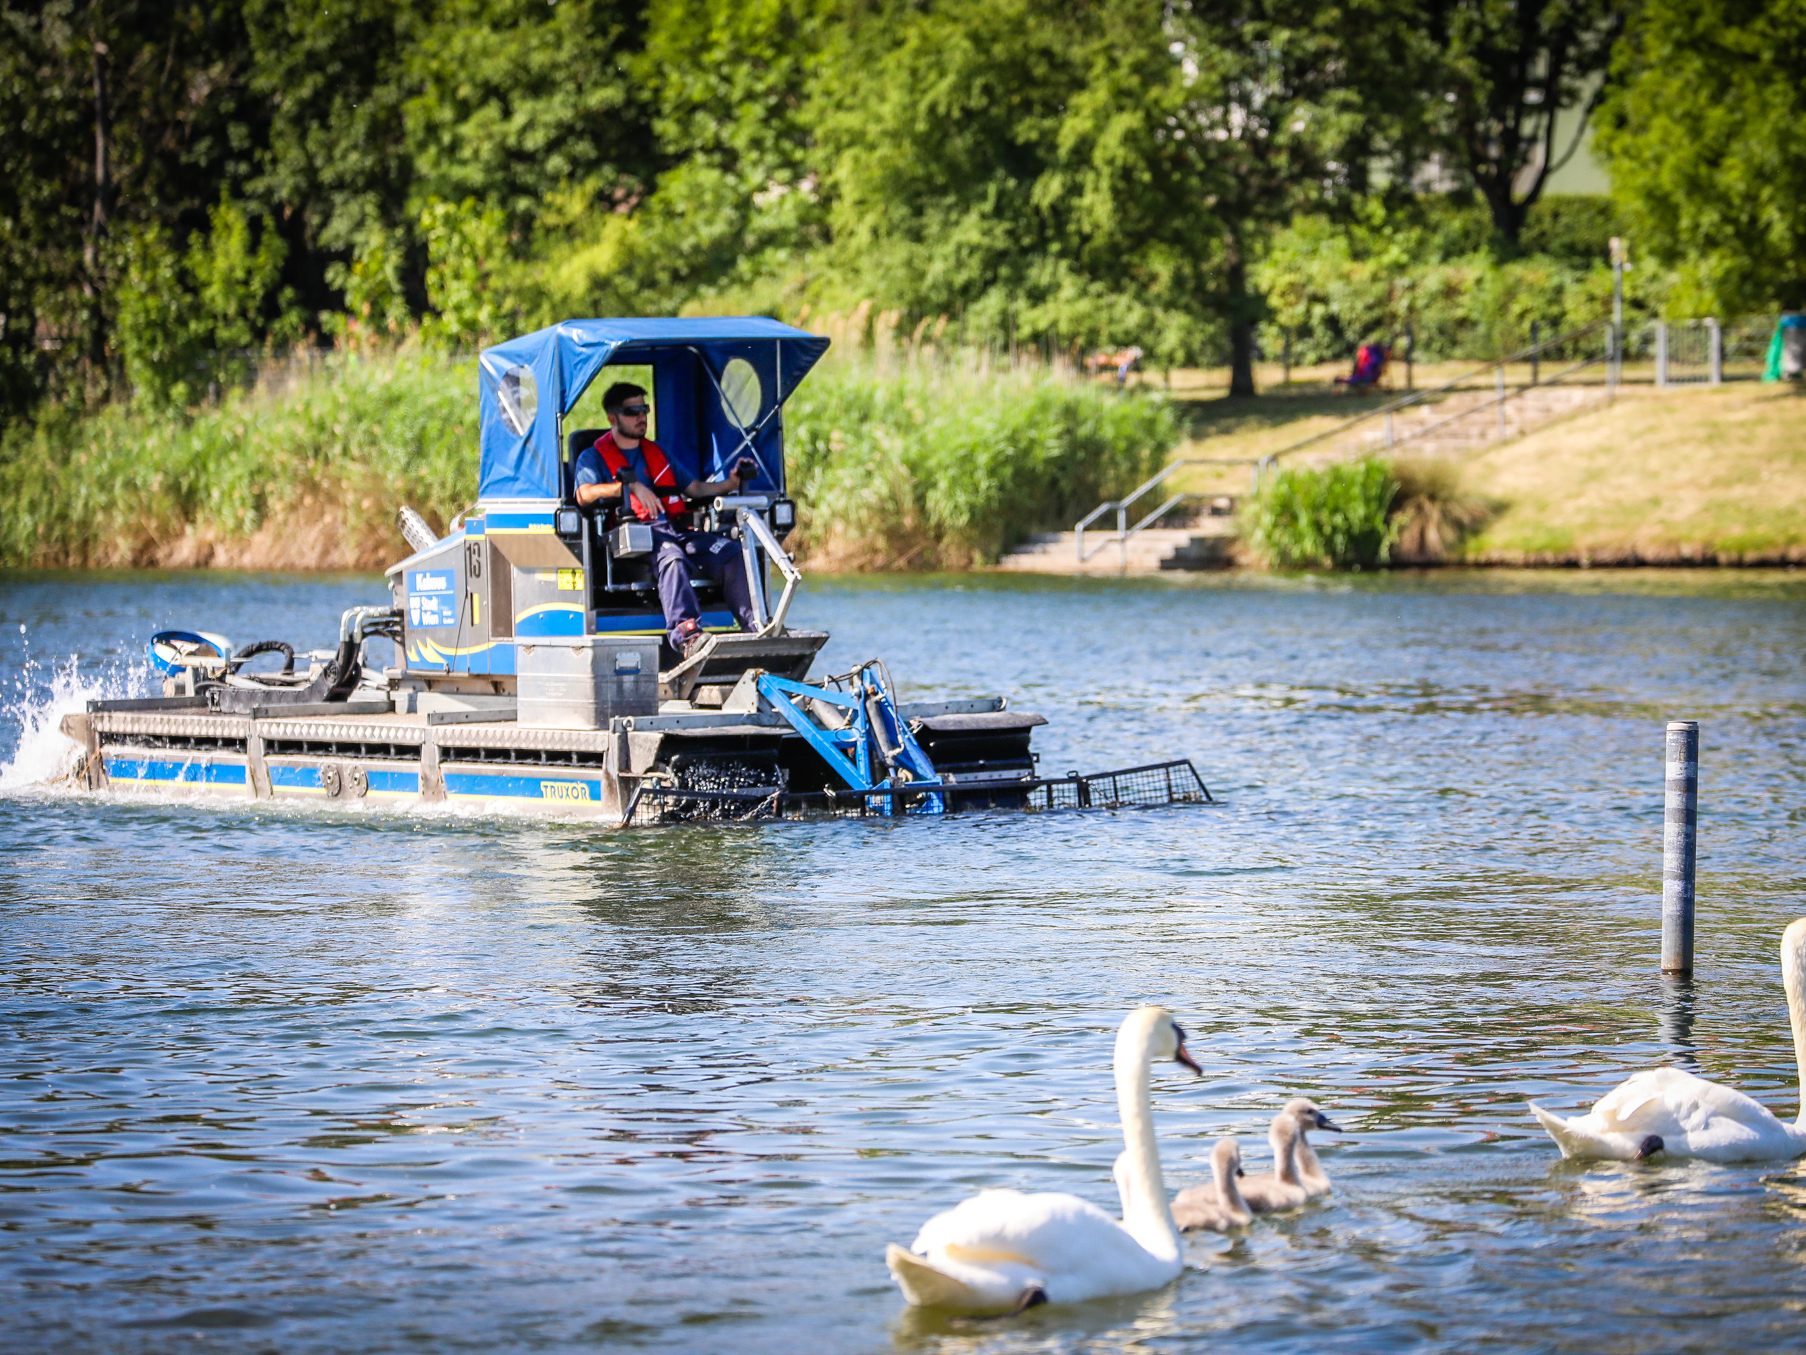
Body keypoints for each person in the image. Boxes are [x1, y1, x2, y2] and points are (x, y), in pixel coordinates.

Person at [572, 381, 757, 659]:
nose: (641, 417)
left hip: (673, 530)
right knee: (671, 556)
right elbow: (583, 495)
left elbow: (694, 488)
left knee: (730, 552)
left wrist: (730, 483)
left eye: (644, 409)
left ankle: (754, 627)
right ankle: (687, 635)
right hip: (631, 538)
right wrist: (628, 487)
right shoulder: (593, 457)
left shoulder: (657, 452)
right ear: (613, 418)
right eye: (632, 411)